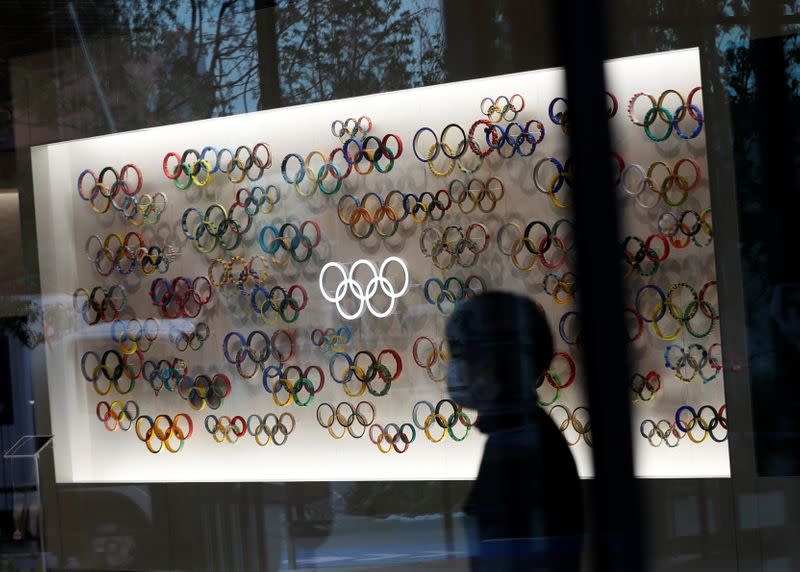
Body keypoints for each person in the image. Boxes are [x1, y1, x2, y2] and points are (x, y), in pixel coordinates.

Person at [445, 291, 584, 571]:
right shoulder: (519, 431)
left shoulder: (518, 442)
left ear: (491, 364)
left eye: (462, 355)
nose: (454, 368)